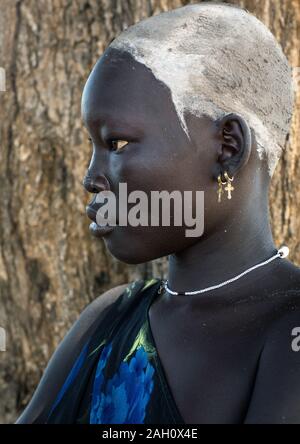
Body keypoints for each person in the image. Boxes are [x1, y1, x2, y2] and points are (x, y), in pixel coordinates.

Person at [16, 2, 300, 424]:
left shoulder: (287, 331)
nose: (91, 178)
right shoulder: (109, 320)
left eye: (117, 145)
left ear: (227, 148)